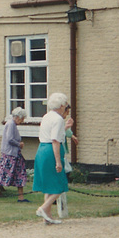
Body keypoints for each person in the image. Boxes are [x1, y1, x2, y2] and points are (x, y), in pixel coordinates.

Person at [32, 93, 74, 225]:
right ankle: (44, 208)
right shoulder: (58, 119)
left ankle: (47, 216)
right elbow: (55, 140)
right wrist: (58, 161)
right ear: (62, 106)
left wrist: (66, 127)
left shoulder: (47, 116)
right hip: (51, 151)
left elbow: (54, 134)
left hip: (42, 149)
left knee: (49, 186)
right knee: (60, 184)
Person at [0, 107, 29, 203]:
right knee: (5, 174)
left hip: (15, 154)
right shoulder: (11, 124)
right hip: (10, 154)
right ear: (18, 117)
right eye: (22, 118)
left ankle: (21, 198)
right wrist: (19, 144)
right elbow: (10, 139)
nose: (22, 121)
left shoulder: (12, 124)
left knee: (20, 174)